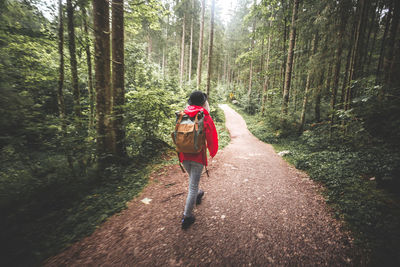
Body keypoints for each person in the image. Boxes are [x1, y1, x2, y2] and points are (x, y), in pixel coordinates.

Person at [179, 91, 218, 229]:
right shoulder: (204, 116)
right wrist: (213, 152)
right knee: (193, 186)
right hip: (197, 157)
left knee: (193, 181)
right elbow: (212, 137)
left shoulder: (182, 114)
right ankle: (187, 217)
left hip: (183, 156)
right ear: (203, 103)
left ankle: (198, 194)